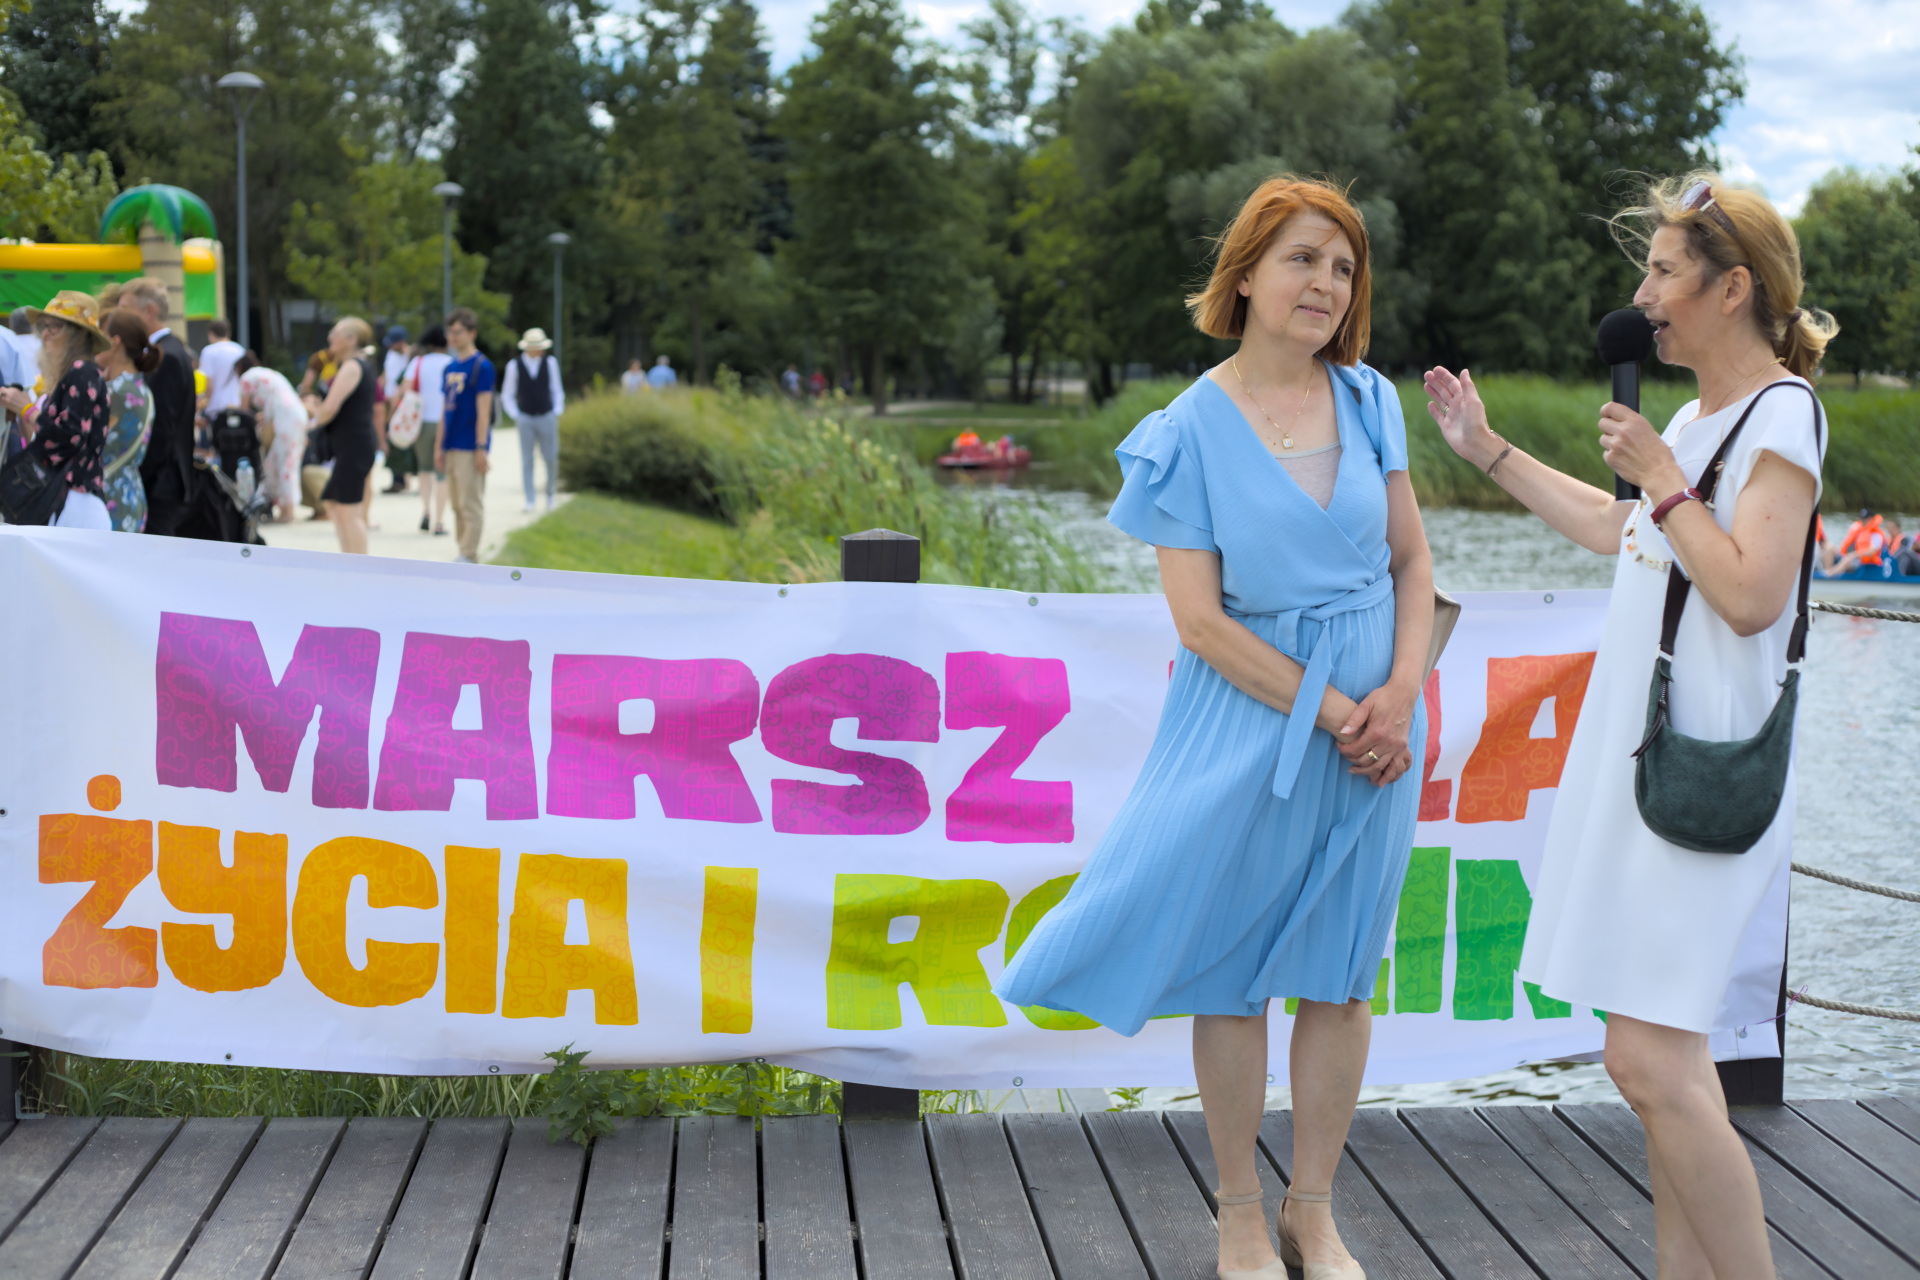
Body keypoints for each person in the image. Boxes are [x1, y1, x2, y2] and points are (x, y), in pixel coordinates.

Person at [997, 175, 1432, 1280]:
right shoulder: (1184, 430)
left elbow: (1412, 559)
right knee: (1232, 973)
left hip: (1382, 734)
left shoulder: (1372, 400)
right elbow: (1199, 622)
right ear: (1244, 274)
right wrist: (1336, 709)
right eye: (1302, 259)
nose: (1325, 284)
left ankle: (1312, 1211)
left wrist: (1401, 692)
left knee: (1342, 975)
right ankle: (1239, 1212)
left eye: (1344, 268)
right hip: (1253, 725)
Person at [1426, 174, 1833, 1280]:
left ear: (1732, 288)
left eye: (1661, 271)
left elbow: (1748, 594)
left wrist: (1660, 476)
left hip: (1708, 770)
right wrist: (1487, 449)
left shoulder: (1783, 414)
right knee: (1661, 1063)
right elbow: (1625, 532)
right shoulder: (1698, 421)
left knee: (1649, 1062)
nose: (1641, 295)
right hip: (1647, 765)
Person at [0, 291, 115, 527]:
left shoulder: (82, 371)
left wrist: (26, 409)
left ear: (79, 335)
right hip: (67, 498)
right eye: (45, 326)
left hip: (74, 500)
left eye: (55, 327)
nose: (45, 334)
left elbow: (68, 436)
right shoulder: (78, 372)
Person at [120, 278, 196, 537]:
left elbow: (161, 430)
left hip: (160, 484)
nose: (120, 316)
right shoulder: (168, 350)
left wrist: (138, 475)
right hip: (161, 481)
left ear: (149, 311)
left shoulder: (167, 356)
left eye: (125, 308)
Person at [304, 317, 380, 554]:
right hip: (350, 446)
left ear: (351, 339)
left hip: (354, 447)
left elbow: (329, 408)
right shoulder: (353, 365)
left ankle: (359, 564)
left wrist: (311, 417)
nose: (330, 337)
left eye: (336, 333)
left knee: (348, 510)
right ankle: (349, 559)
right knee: (333, 502)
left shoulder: (352, 367)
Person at [94, 307, 162, 532]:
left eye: (99, 334)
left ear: (114, 342)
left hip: (109, 498)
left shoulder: (117, 391)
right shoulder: (137, 387)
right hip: (128, 494)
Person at [437, 308, 495, 564]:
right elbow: (444, 410)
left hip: (469, 445)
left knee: (470, 503)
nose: (453, 337)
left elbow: (484, 412)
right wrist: (439, 447)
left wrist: (481, 447)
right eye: (450, 332)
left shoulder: (482, 366)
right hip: (451, 444)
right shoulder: (449, 367)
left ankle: (468, 554)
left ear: (472, 333)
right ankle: (463, 552)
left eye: (458, 332)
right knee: (456, 505)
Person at [239, 359, 310, 523]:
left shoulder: (246, 378)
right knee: (276, 462)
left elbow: (243, 411)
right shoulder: (268, 375)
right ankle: (284, 508)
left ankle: (288, 511)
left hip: (287, 420)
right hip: (295, 417)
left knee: (285, 464)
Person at [501, 327, 564, 513]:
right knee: (527, 460)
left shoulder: (550, 363)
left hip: (546, 415)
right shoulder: (514, 365)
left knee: (550, 457)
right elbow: (507, 394)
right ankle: (530, 499)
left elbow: (557, 389)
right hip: (526, 417)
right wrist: (516, 414)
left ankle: (550, 495)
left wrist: (556, 411)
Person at [404, 326, 453, 536]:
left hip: (421, 422)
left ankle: (426, 511)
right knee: (443, 472)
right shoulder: (451, 363)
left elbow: (406, 389)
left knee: (425, 469)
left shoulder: (418, 362)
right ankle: (439, 521)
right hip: (445, 421)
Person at [381, 325, 414, 493]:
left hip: (402, 403)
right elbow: (386, 376)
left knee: (402, 439)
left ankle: (406, 479)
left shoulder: (412, 356)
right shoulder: (391, 355)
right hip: (388, 401)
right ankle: (397, 480)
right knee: (391, 438)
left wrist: (396, 400)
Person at [198, 318, 246, 414]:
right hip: (236, 403)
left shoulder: (208, 351)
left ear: (211, 334)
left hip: (215, 406)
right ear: (228, 333)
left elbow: (209, 384)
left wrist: (203, 403)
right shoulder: (240, 350)